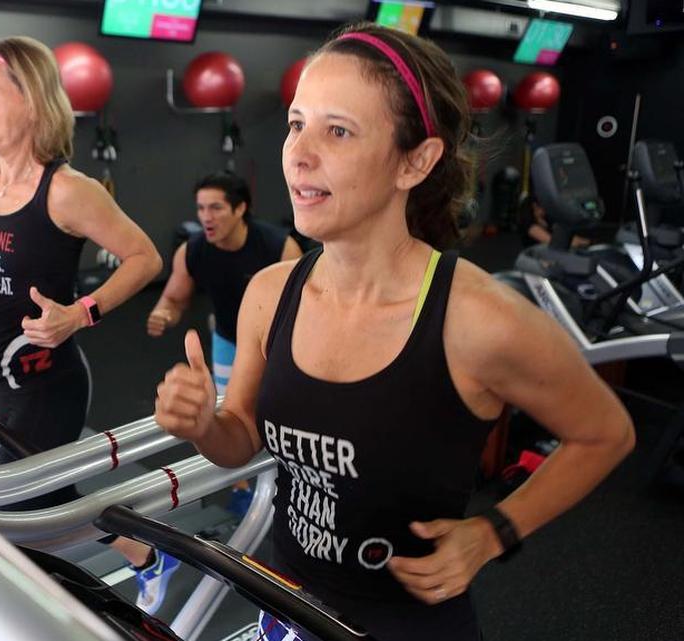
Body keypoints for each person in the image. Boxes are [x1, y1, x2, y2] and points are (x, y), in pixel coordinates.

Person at [154, 23, 634, 641]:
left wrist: (495, 532)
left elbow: (606, 432)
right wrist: (204, 426)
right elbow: (241, 437)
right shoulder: (270, 294)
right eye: (297, 124)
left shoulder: (477, 318)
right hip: (288, 606)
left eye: (338, 131)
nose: (298, 153)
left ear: (415, 161)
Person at [0, 36, 179, 615]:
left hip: (50, 379)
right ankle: (145, 554)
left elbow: (145, 257)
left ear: (31, 100)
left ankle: (57, 613)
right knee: (47, 496)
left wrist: (80, 313)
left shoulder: (68, 191)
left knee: (20, 512)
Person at [147, 171, 303, 389]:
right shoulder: (191, 251)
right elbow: (173, 300)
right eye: (201, 208)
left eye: (215, 208)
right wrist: (163, 314)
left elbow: (304, 309)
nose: (206, 217)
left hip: (275, 342)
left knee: (276, 399)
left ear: (239, 209)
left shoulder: (281, 248)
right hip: (227, 338)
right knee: (227, 402)